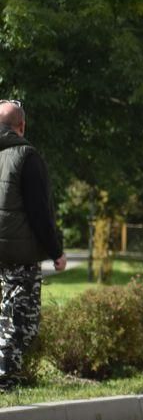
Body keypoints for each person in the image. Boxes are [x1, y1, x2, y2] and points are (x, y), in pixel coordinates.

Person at [0, 100, 66, 391]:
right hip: (19, 255)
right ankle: (4, 381)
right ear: (22, 126)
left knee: (7, 317)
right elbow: (39, 212)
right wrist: (56, 251)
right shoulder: (27, 156)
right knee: (20, 321)